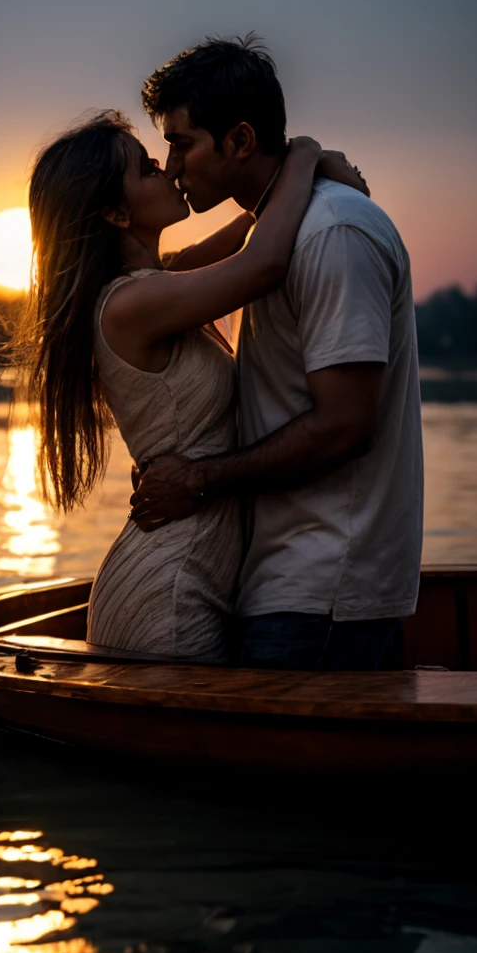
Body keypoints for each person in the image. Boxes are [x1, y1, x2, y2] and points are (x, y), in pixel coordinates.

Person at [23, 110, 365, 663]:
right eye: (146, 168)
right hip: (169, 588)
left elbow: (256, 228)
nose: (167, 170)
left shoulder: (159, 282)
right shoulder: (132, 304)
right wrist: (303, 154)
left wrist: (309, 175)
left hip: (190, 569)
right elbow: (263, 263)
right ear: (116, 211)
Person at [131, 36, 424, 671]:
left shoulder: (331, 233)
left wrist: (201, 479)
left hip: (324, 591)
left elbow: (347, 424)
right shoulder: (277, 236)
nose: (171, 165)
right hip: (282, 584)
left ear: (238, 140)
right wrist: (306, 159)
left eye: (181, 143)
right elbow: (204, 264)